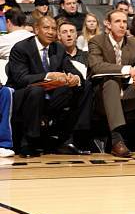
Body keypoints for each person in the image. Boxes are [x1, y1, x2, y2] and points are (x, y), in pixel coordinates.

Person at [8, 16, 91, 157]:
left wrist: (75, 78)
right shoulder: (21, 48)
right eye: (46, 28)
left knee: (85, 85)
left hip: (51, 95)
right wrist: (48, 76)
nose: (51, 32)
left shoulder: (57, 47)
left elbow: (71, 69)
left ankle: (69, 140)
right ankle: (29, 142)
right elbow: (21, 79)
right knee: (36, 90)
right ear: (36, 29)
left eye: (54, 29)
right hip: (25, 95)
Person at [88, 9, 135, 157]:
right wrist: (127, 69)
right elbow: (96, 66)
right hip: (102, 99)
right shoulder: (96, 41)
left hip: (127, 94)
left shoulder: (134, 44)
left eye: (124, 21)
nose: (122, 25)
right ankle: (117, 140)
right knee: (111, 81)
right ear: (108, 24)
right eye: (117, 21)